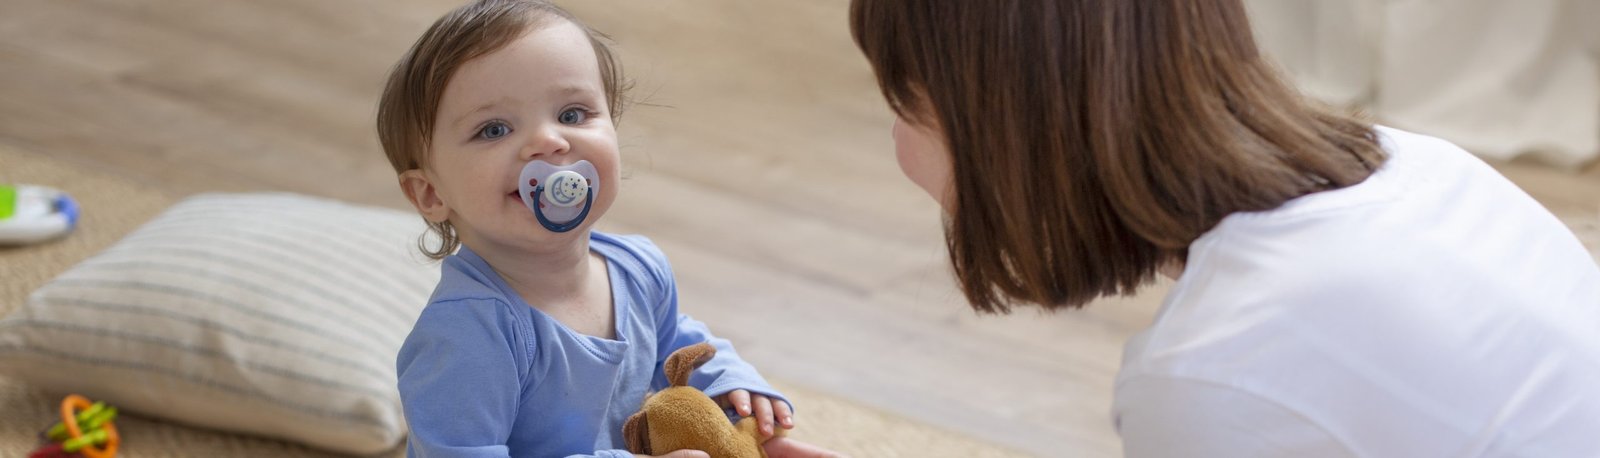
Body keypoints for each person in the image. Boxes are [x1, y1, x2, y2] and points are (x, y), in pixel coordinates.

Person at [848, 0, 1600, 455]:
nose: (894, 141)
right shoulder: (1422, 167)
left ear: (1008, 134)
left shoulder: (1213, 368)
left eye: (904, 103)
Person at [377, 1, 831, 456]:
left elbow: (676, 343)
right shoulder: (467, 336)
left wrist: (731, 389)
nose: (549, 141)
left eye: (572, 114)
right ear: (431, 194)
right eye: (494, 129)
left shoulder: (637, 268)